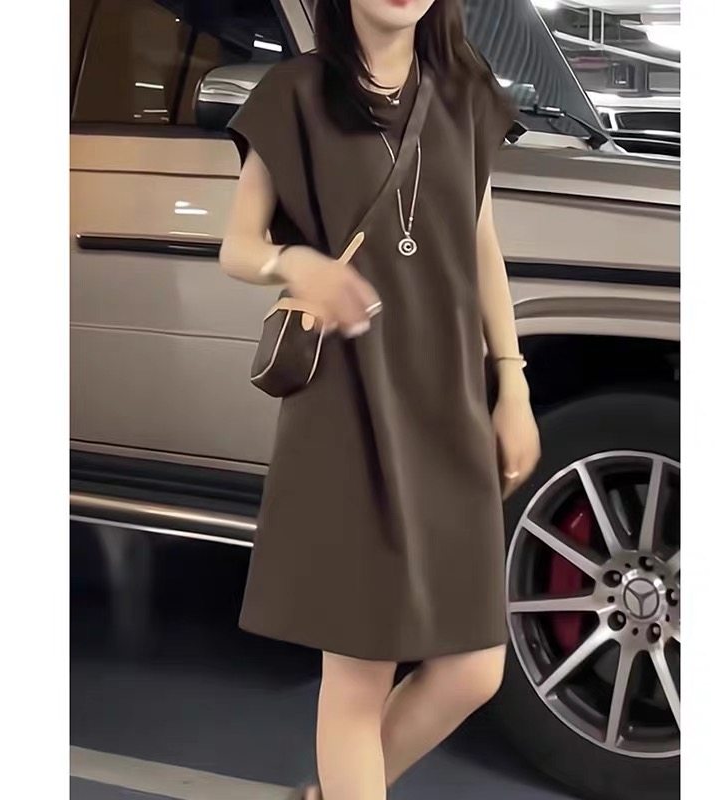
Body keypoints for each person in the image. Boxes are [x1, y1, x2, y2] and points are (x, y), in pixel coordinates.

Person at [218, 1, 541, 798]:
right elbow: (238, 246)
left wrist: (512, 382)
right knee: (361, 671)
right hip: (348, 407)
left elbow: (481, 243)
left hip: (450, 402)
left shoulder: (466, 90)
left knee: (474, 667)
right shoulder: (295, 93)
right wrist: (295, 264)